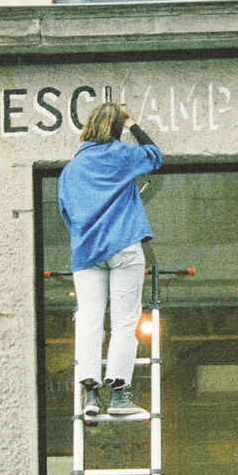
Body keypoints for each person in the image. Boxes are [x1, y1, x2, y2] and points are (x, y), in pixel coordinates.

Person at [58, 101, 162, 416]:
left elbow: (66, 213)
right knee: (124, 321)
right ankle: (118, 395)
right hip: (123, 244)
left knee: (89, 320)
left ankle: (90, 396)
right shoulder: (120, 154)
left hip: (86, 253)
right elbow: (155, 156)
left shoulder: (71, 169)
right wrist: (131, 124)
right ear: (116, 131)